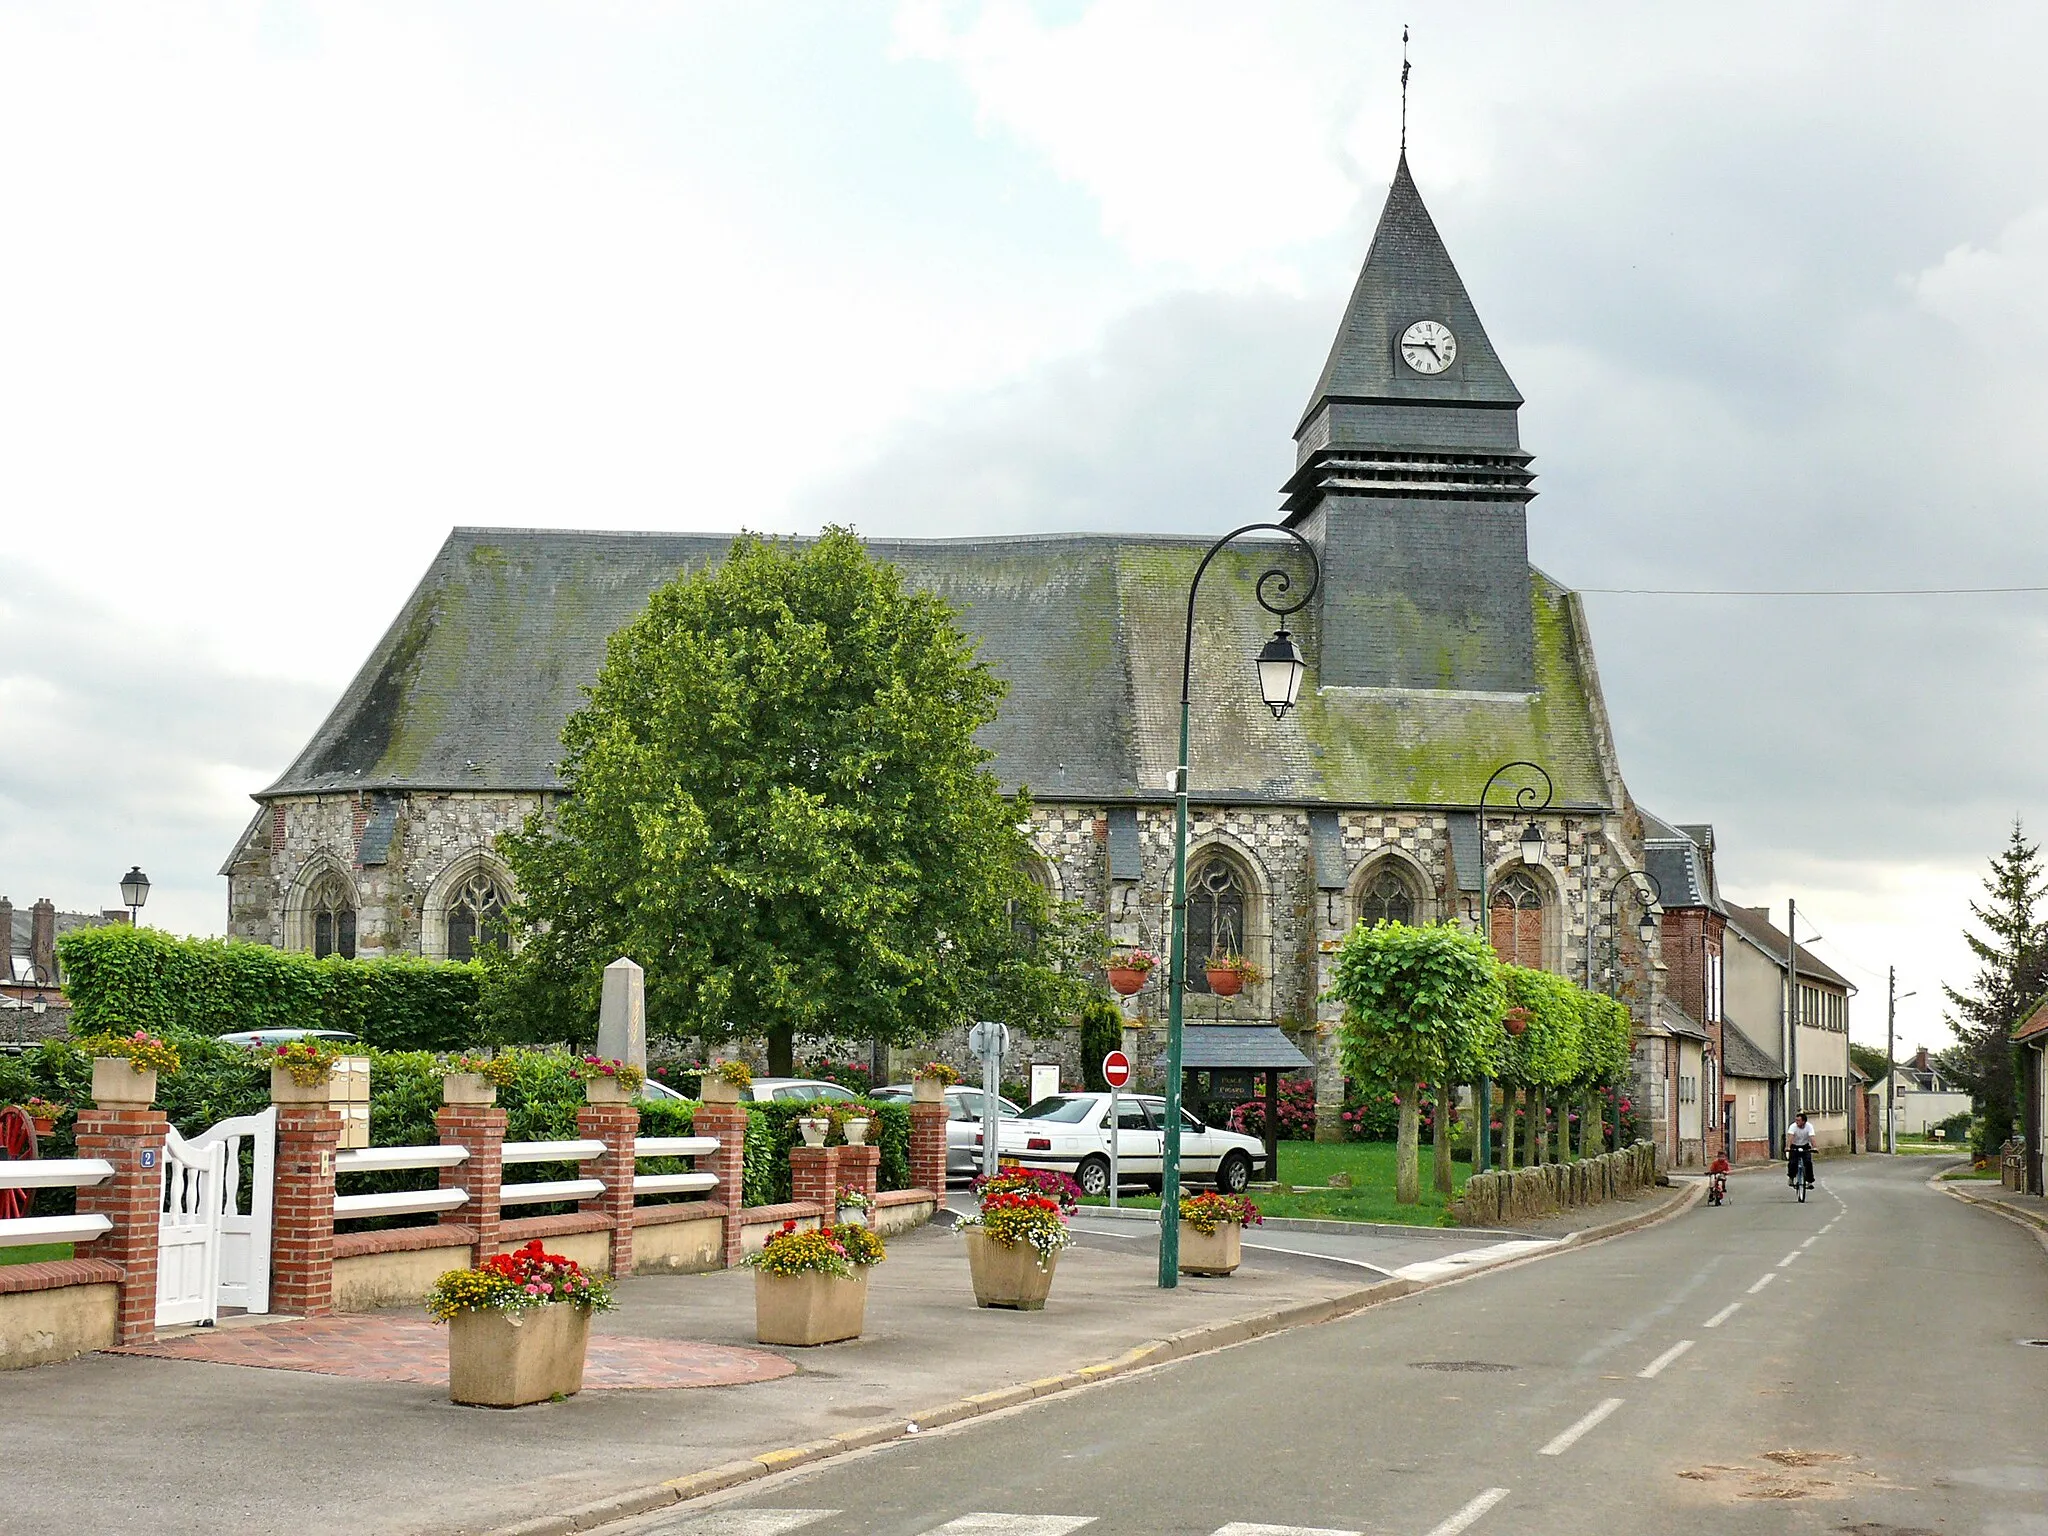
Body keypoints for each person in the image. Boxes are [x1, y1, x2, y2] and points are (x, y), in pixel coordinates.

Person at [1786, 1111, 1816, 1188]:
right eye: (1796, 1120)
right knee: (1792, 1162)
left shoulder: (1809, 1126)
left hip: (1805, 1146)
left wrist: (1814, 1147)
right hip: (1794, 1146)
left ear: (1804, 1121)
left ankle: (1809, 1181)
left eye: (1798, 1120)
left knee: (1808, 1162)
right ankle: (1791, 1178)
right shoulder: (1793, 1126)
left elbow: (1812, 1137)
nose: (1797, 1122)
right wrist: (1788, 1147)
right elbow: (1790, 1137)